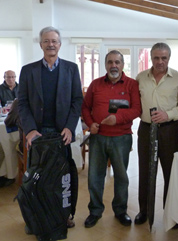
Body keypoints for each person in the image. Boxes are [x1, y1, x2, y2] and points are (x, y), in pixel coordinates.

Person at [18, 26, 83, 229]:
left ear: (60, 44)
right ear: (41, 45)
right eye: (46, 41)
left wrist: (70, 127)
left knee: (62, 179)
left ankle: (64, 215)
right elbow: (23, 103)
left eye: (54, 41)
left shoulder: (71, 69)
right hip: (36, 135)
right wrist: (29, 130)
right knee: (35, 178)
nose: (50, 44)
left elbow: (76, 100)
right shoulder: (28, 71)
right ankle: (35, 219)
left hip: (61, 134)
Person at [82, 50, 141, 228]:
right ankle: (95, 211)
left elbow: (137, 109)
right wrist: (90, 123)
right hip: (98, 138)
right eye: (110, 62)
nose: (113, 65)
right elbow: (85, 107)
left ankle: (120, 211)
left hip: (121, 138)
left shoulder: (132, 85)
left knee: (121, 177)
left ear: (123, 65)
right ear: (105, 65)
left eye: (117, 62)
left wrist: (118, 118)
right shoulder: (95, 85)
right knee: (94, 176)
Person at [135, 42, 178, 225]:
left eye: (163, 58)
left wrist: (168, 115)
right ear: (151, 58)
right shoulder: (140, 77)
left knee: (170, 172)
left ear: (169, 58)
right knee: (145, 172)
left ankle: (171, 214)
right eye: (156, 57)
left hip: (169, 131)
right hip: (145, 130)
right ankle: (144, 211)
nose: (160, 61)